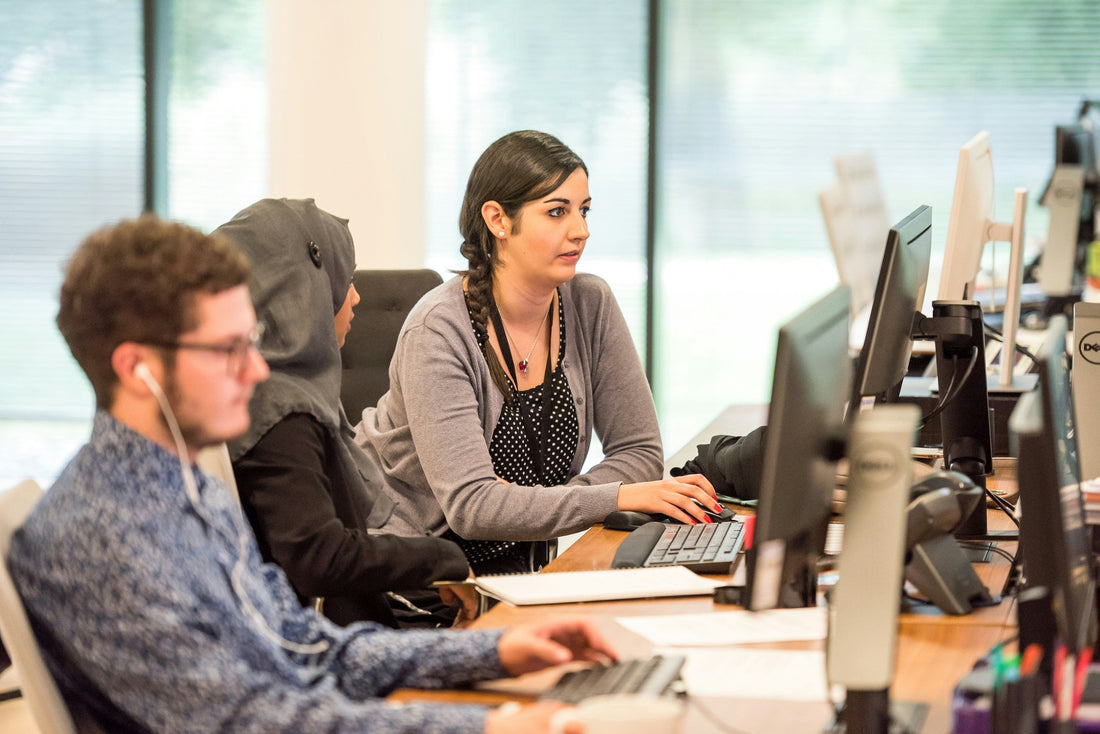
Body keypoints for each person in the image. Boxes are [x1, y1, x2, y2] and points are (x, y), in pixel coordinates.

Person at [7, 214, 615, 733]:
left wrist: (493, 651)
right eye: (227, 350)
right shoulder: (106, 535)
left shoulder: (183, 490)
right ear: (137, 368)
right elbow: (260, 721)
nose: (254, 371)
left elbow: (305, 644)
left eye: (253, 342)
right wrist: (483, 724)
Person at [356, 130, 720, 574]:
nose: (581, 230)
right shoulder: (439, 330)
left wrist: (530, 504)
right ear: (498, 220)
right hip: (419, 577)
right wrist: (615, 496)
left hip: (522, 569)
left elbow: (640, 452)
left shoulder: (589, 303)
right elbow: (473, 507)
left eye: (583, 211)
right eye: (556, 212)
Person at [217, 198, 475, 629]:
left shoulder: (272, 393)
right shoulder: (281, 412)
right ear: (302, 290)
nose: (355, 296)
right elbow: (318, 558)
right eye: (345, 279)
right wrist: (440, 558)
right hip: (330, 648)